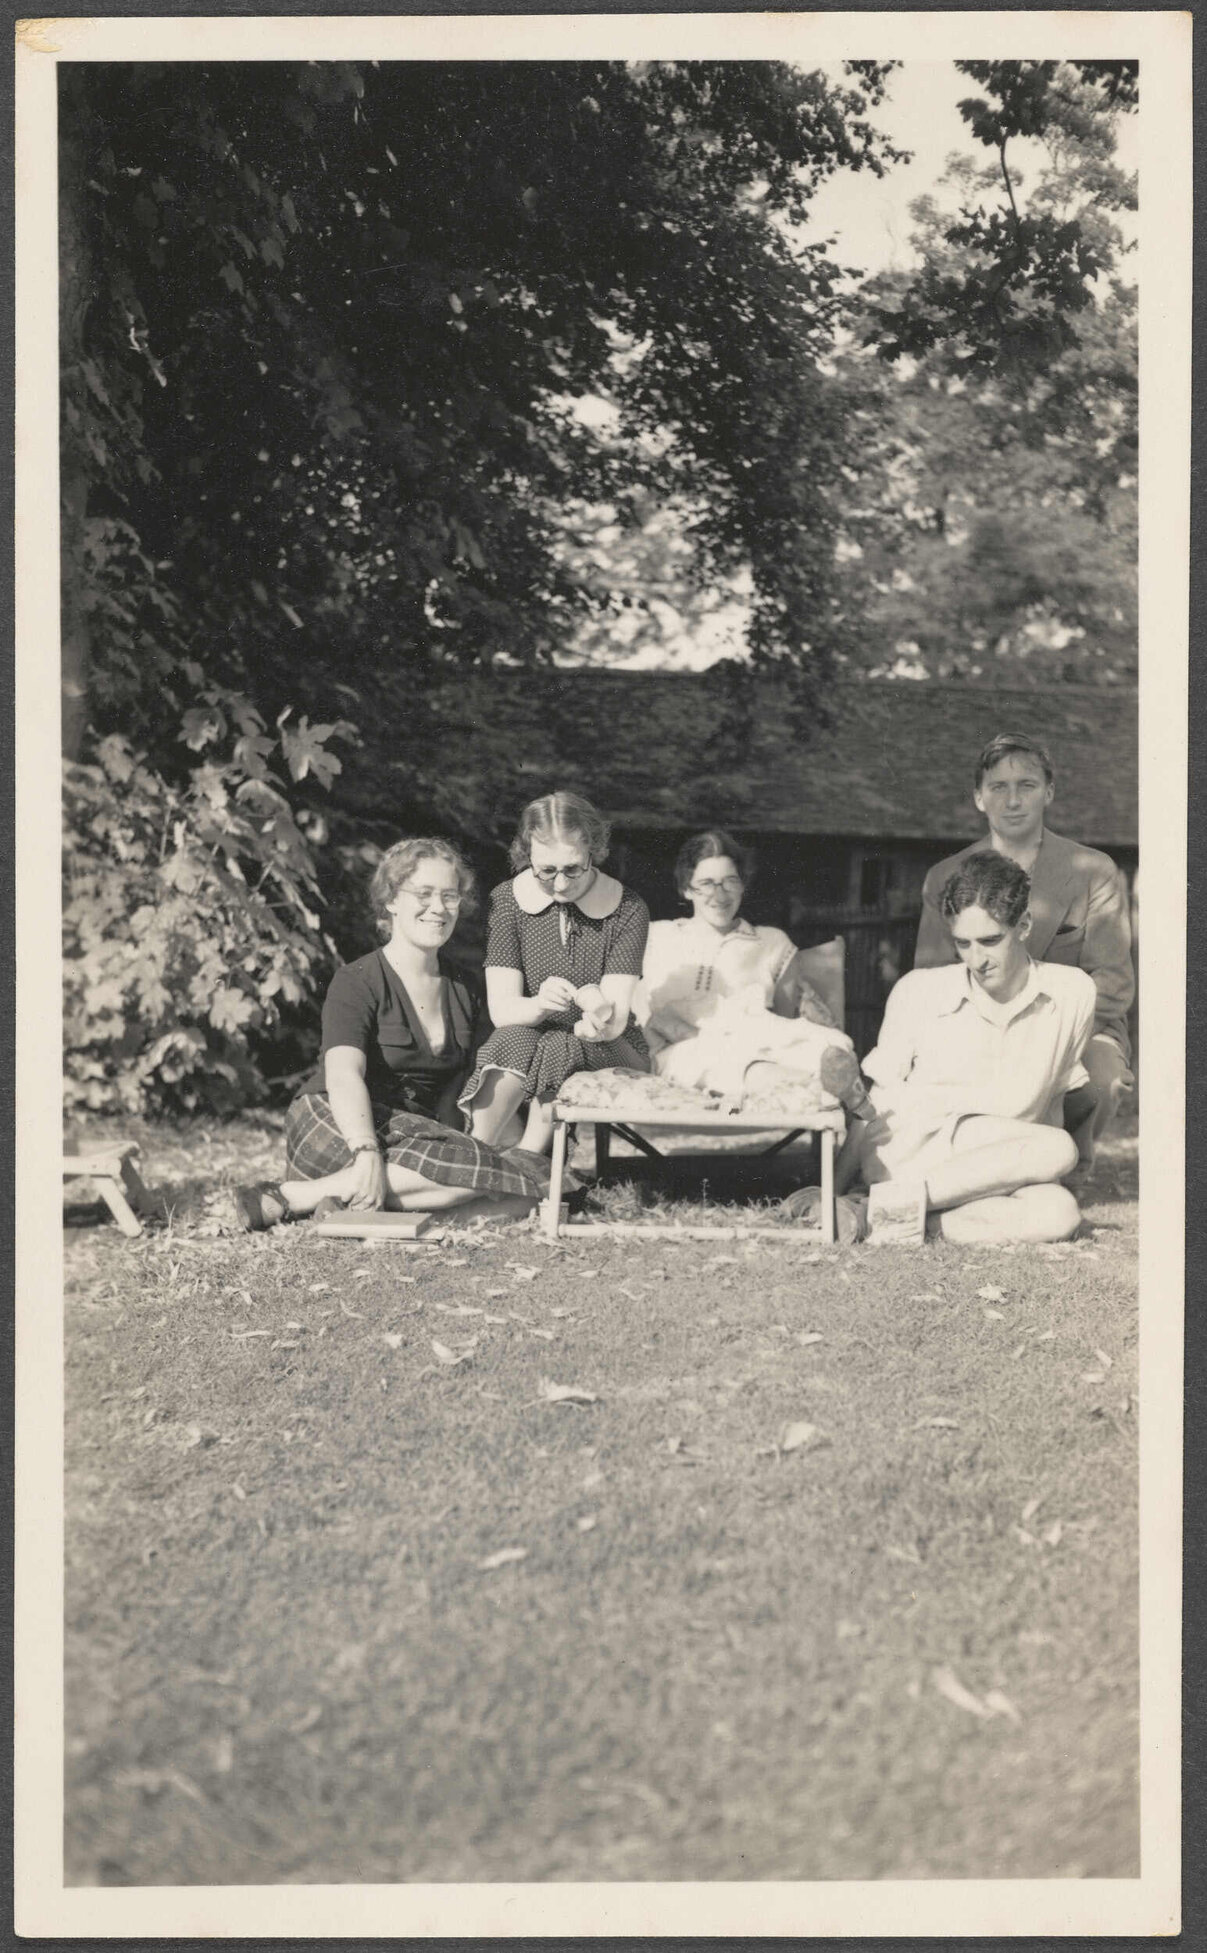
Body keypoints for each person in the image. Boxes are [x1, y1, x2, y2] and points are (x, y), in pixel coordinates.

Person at [233, 837, 570, 1229]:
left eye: (449, 896)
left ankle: (340, 1202)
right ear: (391, 899)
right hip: (340, 1121)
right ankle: (300, 1193)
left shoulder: (465, 987)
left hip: (412, 1139)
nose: (438, 908)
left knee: (533, 1186)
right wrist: (365, 1151)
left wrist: (490, 1147)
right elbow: (343, 1075)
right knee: (497, 1177)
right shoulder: (357, 979)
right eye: (423, 894)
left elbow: (471, 1088)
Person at [838, 851, 1093, 1245]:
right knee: (1058, 1147)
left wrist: (1039, 1170)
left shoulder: (1072, 992)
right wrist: (833, 1186)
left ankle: (880, 1217)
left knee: (1059, 1214)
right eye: (963, 944)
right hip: (913, 1153)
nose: (977, 960)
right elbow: (876, 1100)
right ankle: (889, 1202)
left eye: (990, 941)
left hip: (1005, 1160)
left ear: (1024, 925)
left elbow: (1055, 1099)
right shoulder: (918, 990)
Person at [914, 732, 1134, 1167]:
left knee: (1104, 1078)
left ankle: (1071, 1165)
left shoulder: (1094, 871)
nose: (1013, 801)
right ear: (979, 798)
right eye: (998, 787)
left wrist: (1043, 1034)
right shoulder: (944, 877)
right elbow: (930, 982)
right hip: (978, 1027)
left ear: (1048, 792)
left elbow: (1113, 983)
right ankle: (980, 1165)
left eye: (1027, 786)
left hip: (1077, 1028)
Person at [459, 792, 651, 1155]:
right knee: (511, 1039)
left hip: (612, 1046)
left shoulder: (627, 908)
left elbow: (615, 1021)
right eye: (546, 871)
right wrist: (539, 1005)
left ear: (593, 851)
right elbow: (502, 1011)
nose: (560, 884)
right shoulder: (507, 900)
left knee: (558, 1044)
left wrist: (597, 1017)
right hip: (533, 1037)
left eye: (573, 869)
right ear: (527, 855)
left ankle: (531, 1157)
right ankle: (476, 1150)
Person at [641, 828, 869, 1112]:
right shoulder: (656, 937)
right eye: (706, 883)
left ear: (743, 885)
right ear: (686, 889)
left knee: (821, 1044)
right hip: (680, 1054)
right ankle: (802, 1087)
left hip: (754, 1041)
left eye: (730, 881)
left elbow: (783, 1021)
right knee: (715, 1059)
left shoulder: (772, 943)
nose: (719, 894)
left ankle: (811, 1083)